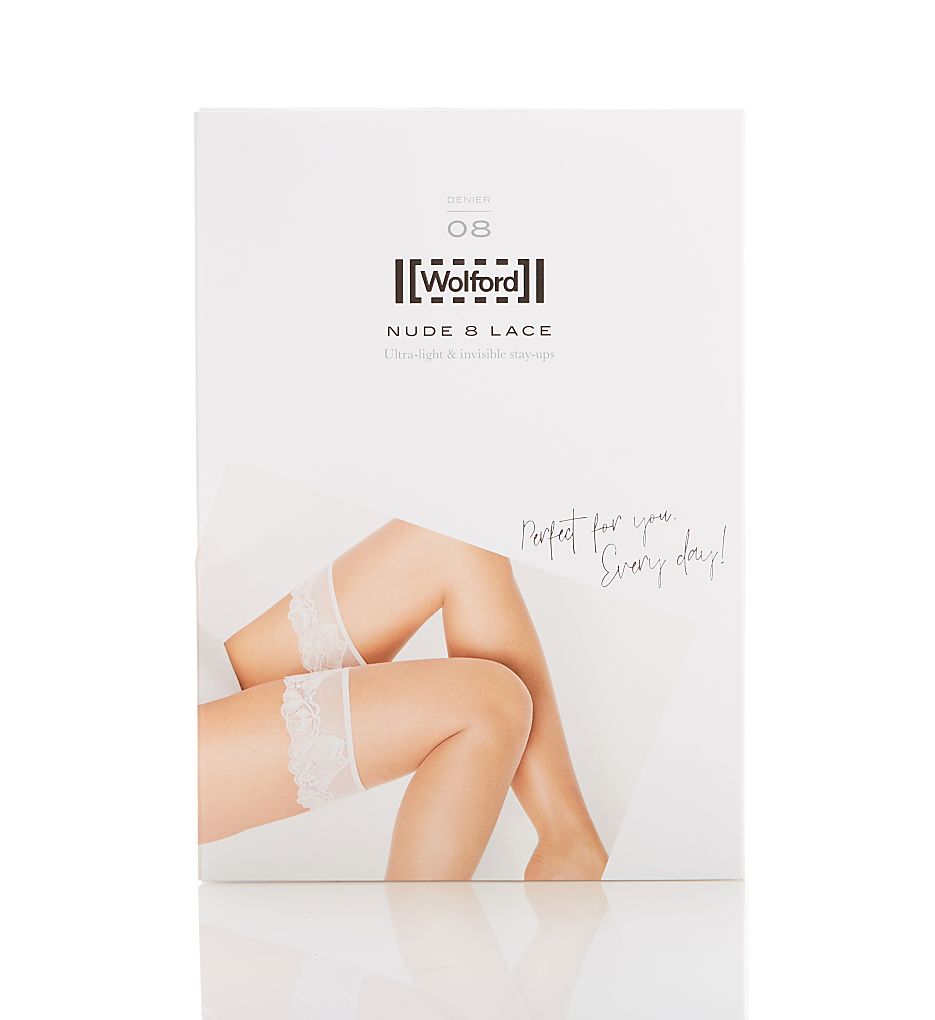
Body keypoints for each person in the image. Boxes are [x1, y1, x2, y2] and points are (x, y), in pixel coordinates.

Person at [198, 519, 608, 881]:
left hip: (207, 666)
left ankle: (570, 844)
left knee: (456, 543)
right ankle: (423, 941)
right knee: (489, 706)